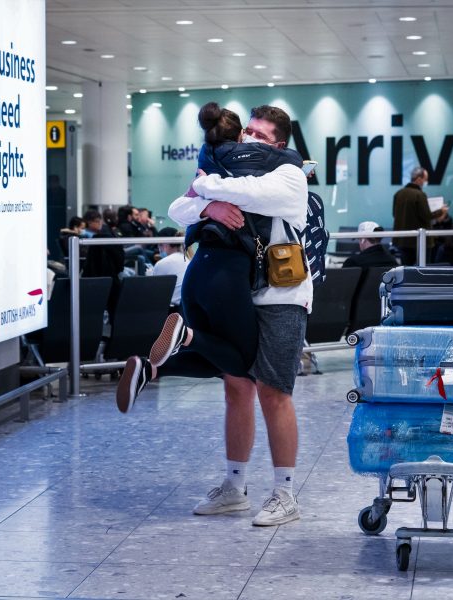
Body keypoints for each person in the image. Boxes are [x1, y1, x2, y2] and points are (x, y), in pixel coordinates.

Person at [117, 103, 310, 527]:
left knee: (273, 392)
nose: (249, 141)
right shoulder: (232, 171)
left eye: (259, 136)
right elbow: (178, 208)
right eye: (247, 133)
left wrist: (212, 188)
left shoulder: (290, 174)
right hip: (238, 291)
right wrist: (207, 207)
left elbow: (256, 195)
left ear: (278, 143)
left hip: (281, 295)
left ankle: (284, 493)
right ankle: (234, 487)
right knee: (235, 386)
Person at [392, 167, 447, 266]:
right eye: (425, 179)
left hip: (402, 241)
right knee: (423, 271)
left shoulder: (398, 194)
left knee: (406, 270)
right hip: (420, 242)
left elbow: (394, 214)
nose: (426, 182)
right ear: (418, 179)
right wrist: (441, 211)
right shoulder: (419, 195)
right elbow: (426, 216)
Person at [150, 227, 188, 309]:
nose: (159, 249)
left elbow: (153, 292)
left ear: (167, 244)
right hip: (184, 310)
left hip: (171, 310)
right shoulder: (186, 259)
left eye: (160, 245)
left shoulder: (163, 263)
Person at [81, 209, 125, 278]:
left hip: (108, 267)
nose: (100, 223)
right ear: (89, 222)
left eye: (100, 221)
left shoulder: (103, 233)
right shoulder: (85, 235)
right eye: (97, 221)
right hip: (97, 269)